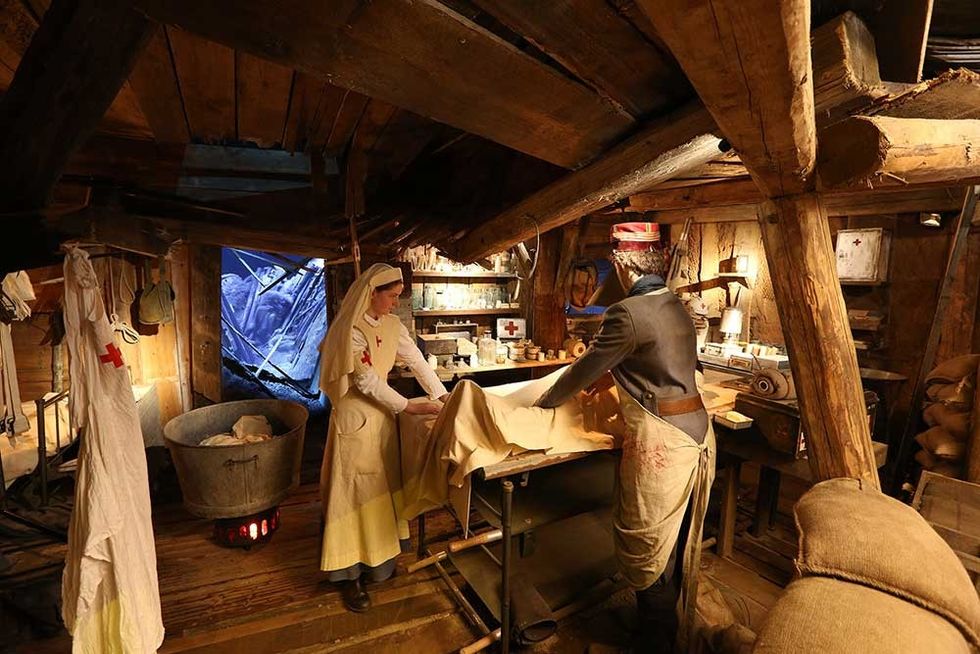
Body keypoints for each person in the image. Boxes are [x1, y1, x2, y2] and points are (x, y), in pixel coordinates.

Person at [534, 223, 715, 653]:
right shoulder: (675, 305)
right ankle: (663, 629)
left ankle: (653, 641)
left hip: (664, 439)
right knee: (674, 539)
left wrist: (543, 402)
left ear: (621, 265)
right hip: (698, 432)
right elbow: (656, 361)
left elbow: (584, 369)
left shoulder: (628, 313)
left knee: (648, 542)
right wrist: (615, 374)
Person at [318, 263, 449, 613]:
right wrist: (409, 406)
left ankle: (379, 563)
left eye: (397, 297)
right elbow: (365, 381)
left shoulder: (392, 325)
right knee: (353, 496)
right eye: (390, 296)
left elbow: (416, 360)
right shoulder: (350, 330)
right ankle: (349, 574)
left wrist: (441, 395)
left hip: (382, 419)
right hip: (355, 421)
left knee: (379, 492)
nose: (394, 303)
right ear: (371, 294)